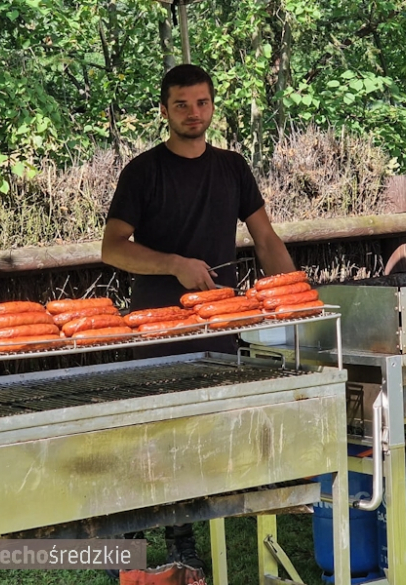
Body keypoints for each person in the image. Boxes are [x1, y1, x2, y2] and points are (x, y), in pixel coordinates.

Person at [102, 63, 297, 571]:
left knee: (199, 435)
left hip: (218, 327)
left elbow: (266, 239)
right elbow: (112, 248)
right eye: (182, 104)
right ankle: (132, 530)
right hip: (158, 328)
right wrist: (174, 264)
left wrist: (295, 297)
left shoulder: (233, 168)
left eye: (202, 103)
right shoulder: (143, 171)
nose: (194, 113)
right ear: (164, 110)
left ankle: (182, 533)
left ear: (213, 105)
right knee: (154, 433)